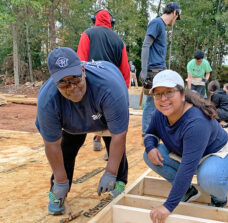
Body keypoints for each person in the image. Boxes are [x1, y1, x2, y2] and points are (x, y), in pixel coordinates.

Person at [35, 47, 129, 215]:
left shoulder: (109, 88)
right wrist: (61, 181)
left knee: (112, 142)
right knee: (67, 149)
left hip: (104, 117)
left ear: (83, 70)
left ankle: (118, 180)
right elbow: (52, 144)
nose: (71, 87)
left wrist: (110, 172)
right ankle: (58, 191)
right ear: (54, 81)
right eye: (63, 82)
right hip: (71, 121)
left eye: (75, 78)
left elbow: (119, 135)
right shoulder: (47, 101)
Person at [143, 70, 228, 223]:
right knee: (149, 155)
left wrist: (168, 206)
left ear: (182, 95)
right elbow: (150, 133)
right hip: (189, 154)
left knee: (209, 178)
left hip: (220, 154)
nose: (163, 99)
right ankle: (188, 191)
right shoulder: (160, 113)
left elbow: (187, 168)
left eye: (169, 92)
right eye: (158, 94)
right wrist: (150, 147)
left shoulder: (196, 122)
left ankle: (219, 199)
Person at [77, 9, 130, 160]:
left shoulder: (87, 34)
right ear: (111, 23)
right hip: (112, 89)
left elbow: (81, 61)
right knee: (112, 121)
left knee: (93, 116)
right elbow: (124, 70)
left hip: (91, 87)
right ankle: (111, 151)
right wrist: (123, 93)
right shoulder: (118, 41)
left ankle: (96, 139)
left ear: (95, 21)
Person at [139, 2, 181, 136]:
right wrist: (144, 70)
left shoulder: (161, 26)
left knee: (160, 101)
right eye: (177, 17)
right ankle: (146, 132)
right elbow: (146, 46)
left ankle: (154, 130)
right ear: (174, 13)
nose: (175, 21)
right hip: (153, 71)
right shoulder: (157, 23)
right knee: (152, 102)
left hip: (159, 70)